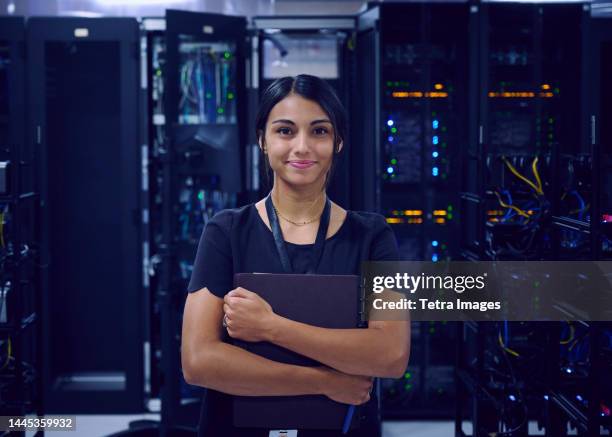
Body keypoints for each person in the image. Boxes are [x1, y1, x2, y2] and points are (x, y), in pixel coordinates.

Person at [181, 74, 411, 437]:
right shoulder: (226, 232)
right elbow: (198, 362)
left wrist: (270, 327)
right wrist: (323, 381)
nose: (302, 147)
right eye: (285, 131)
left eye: (319, 131)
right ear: (262, 140)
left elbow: (391, 354)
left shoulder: (371, 237)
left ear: (338, 142)